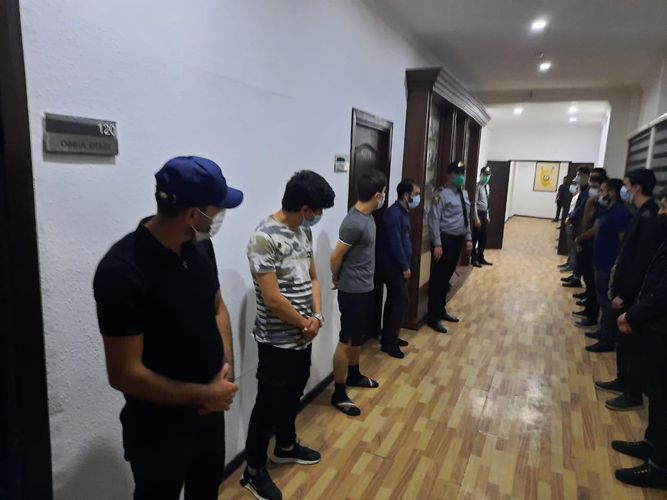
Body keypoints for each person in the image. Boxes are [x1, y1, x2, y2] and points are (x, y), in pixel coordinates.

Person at [93, 156, 243, 500]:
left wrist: (226, 369)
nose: (219, 216)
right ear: (192, 214)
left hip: (209, 416)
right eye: (216, 209)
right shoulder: (121, 271)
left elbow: (217, 307)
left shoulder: (200, 246)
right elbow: (124, 373)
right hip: (158, 431)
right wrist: (203, 395)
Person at [241, 170, 335, 500]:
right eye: (318, 210)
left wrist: (317, 317)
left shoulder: (303, 231)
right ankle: (253, 470)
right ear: (305, 208)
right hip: (276, 341)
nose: (319, 216)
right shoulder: (264, 237)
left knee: (294, 391)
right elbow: (272, 299)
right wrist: (304, 323)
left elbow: (314, 278)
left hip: (302, 336)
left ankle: (285, 445)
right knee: (267, 405)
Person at [612, 190, 667, 489]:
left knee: (663, 401)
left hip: (660, 328)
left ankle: (659, 468)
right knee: (657, 398)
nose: (661, 212)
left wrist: (633, 315)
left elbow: (662, 293)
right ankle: (651, 445)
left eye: (666, 206)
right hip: (654, 328)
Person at [595, 168, 661, 411]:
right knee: (624, 343)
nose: (624, 189)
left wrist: (624, 293)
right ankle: (623, 381)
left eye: (626, 185)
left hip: (632, 294)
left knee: (631, 345)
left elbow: (640, 261)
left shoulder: (649, 216)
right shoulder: (641, 212)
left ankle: (632, 393)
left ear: (637, 187)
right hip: (625, 288)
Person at [330, 170, 387, 416]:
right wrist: (336, 277)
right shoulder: (354, 222)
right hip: (352, 291)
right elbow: (335, 256)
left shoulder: (367, 217)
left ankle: (354, 375)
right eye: (383, 193)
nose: (384, 196)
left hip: (364, 288)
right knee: (346, 341)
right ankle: (338, 393)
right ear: (377, 196)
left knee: (356, 337)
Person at [585, 179, 632, 353]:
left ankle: (608, 339)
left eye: (602, 190)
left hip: (608, 263)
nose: (599, 193)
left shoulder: (620, 213)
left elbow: (623, 241)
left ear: (612, 193)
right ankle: (602, 331)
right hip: (600, 261)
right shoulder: (608, 210)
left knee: (607, 303)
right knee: (602, 300)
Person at [426, 161, 473, 333]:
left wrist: (468, 238)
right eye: (457, 173)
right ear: (450, 175)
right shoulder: (441, 195)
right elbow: (434, 220)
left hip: (458, 241)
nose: (461, 176)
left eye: (462, 173)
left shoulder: (464, 194)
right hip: (444, 241)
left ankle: (441, 310)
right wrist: (437, 244)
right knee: (438, 280)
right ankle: (432, 317)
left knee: (446, 278)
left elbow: (466, 218)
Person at [376, 178, 421, 359]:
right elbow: (395, 243)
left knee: (394, 302)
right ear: (406, 195)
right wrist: (404, 266)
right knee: (401, 302)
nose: (418, 198)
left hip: (398, 266)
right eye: (416, 194)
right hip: (393, 267)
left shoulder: (403, 212)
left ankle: (389, 336)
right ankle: (389, 343)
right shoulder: (393, 214)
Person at [571, 173, 606, 328]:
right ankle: (588, 310)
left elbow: (595, 229)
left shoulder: (604, 207)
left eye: (596, 188)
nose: (593, 191)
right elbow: (585, 222)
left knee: (593, 284)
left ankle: (592, 315)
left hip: (595, 248)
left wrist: (580, 238)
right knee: (590, 281)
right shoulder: (594, 203)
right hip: (588, 245)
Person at [562, 166, 591, 289]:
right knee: (575, 251)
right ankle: (575, 275)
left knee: (578, 253)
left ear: (586, 176)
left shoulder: (587, 192)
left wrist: (571, 218)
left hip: (580, 226)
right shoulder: (582, 190)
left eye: (579, 175)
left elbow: (581, 209)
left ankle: (576, 278)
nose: (577, 177)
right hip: (574, 223)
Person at [472, 165, 492, 268]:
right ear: (481, 174)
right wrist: (476, 218)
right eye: (485, 174)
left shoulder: (487, 187)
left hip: (484, 214)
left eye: (488, 175)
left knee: (483, 238)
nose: (487, 177)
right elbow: (474, 203)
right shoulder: (477, 187)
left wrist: (487, 215)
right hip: (478, 214)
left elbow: (487, 202)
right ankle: (473, 259)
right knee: (475, 237)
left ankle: (481, 257)